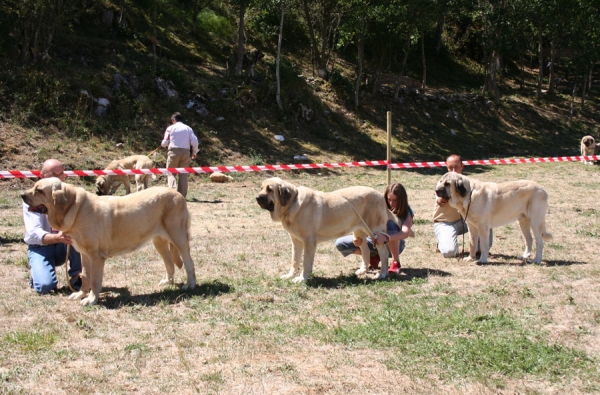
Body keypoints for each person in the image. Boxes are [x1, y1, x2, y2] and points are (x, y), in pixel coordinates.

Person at [23, 159, 82, 294]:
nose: (59, 178)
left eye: (61, 174)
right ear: (42, 175)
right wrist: (57, 237)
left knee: (75, 234)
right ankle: (38, 274)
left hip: (63, 244)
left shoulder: (67, 195)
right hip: (40, 247)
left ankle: (76, 278)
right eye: (54, 175)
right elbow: (33, 232)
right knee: (45, 287)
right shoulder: (31, 198)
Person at [335, 183, 414, 274]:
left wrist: (386, 238)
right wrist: (356, 238)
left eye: (395, 200)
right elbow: (364, 222)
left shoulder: (406, 211)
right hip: (373, 240)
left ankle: (395, 262)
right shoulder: (379, 204)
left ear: (401, 200)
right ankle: (373, 256)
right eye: (389, 199)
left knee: (391, 225)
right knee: (341, 243)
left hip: (392, 244)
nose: (391, 203)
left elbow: (405, 233)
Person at [433, 154, 492, 258]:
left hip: (466, 221)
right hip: (446, 223)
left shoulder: (469, 183)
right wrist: (439, 200)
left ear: (462, 166)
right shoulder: (442, 182)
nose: (453, 171)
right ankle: (442, 242)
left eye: (456, 167)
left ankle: (477, 250)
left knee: (485, 221)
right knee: (450, 252)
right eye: (450, 168)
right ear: (446, 167)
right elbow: (438, 198)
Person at [161, 112, 199, 197]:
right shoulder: (188, 128)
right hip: (186, 152)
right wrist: (194, 152)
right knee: (183, 174)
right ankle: (182, 196)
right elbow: (195, 141)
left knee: (170, 172)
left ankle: (173, 194)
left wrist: (163, 144)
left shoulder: (170, 128)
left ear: (174, 120)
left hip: (174, 152)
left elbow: (165, 142)